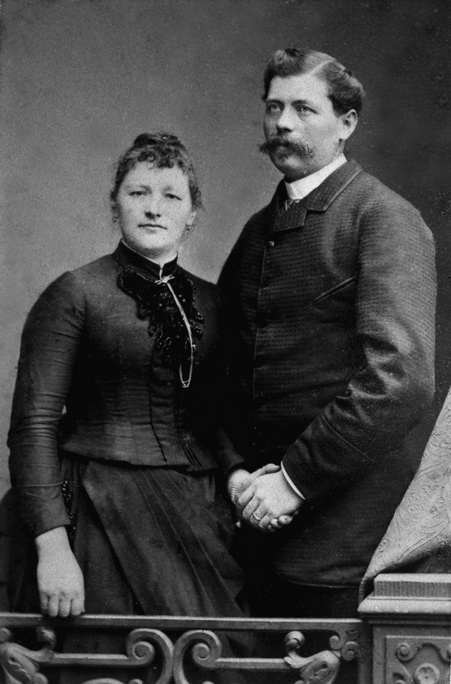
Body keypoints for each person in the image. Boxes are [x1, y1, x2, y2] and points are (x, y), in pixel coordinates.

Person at [7, 132, 265, 626]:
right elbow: (33, 426)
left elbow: (214, 416)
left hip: (196, 507)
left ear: (192, 213)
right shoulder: (75, 293)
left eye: (171, 196)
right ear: (116, 204)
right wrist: (52, 547)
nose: (153, 208)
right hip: (98, 511)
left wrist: (235, 475)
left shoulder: (212, 302)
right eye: (138, 192)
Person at [218, 48, 437, 623]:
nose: (283, 124)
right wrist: (236, 472)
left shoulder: (382, 218)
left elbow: (400, 381)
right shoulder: (255, 232)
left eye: (303, 109)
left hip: (347, 534)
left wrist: (293, 481)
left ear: (347, 123)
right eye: (273, 107)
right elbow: (224, 373)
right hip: (252, 524)